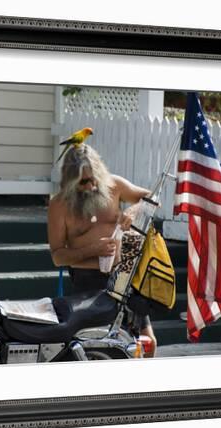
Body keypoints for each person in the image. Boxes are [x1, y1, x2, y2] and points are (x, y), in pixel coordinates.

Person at [47, 144, 157, 357]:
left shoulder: (113, 185)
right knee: (97, 345)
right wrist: (93, 250)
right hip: (87, 283)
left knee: (147, 341)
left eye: (93, 179)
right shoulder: (59, 205)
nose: (89, 186)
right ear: (69, 182)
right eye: (82, 182)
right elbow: (58, 256)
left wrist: (133, 211)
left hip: (123, 277)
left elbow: (152, 197)